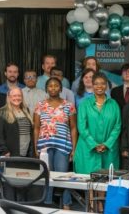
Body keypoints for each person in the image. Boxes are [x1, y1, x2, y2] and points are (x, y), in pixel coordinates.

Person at [34, 77, 77, 210]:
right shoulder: (40, 105)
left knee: (63, 175)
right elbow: (36, 127)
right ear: (46, 88)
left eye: (56, 86)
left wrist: (73, 148)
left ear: (61, 88)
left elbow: (73, 128)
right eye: (50, 86)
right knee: (47, 175)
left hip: (62, 146)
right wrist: (36, 146)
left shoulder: (69, 105)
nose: (53, 88)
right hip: (44, 146)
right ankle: (47, 204)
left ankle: (66, 204)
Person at [74, 72, 121, 174]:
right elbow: (81, 127)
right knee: (88, 183)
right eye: (96, 83)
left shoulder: (114, 104)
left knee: (107, 181)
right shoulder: (84, 104)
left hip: (108, 150)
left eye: (103, 83)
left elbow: (117, 127)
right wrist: (94, 144)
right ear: (92, 85)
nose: (99, 86)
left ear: (107, 85)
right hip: (87, 149)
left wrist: (107, 144)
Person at [0, 87, 33, 157]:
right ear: (9, 97)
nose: (17, 98)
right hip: (10, 153)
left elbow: (30, 132)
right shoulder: (2, 112)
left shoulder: (26, 110)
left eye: (19, 95)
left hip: (26, 152)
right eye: (14, 96)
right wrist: (4, 151)